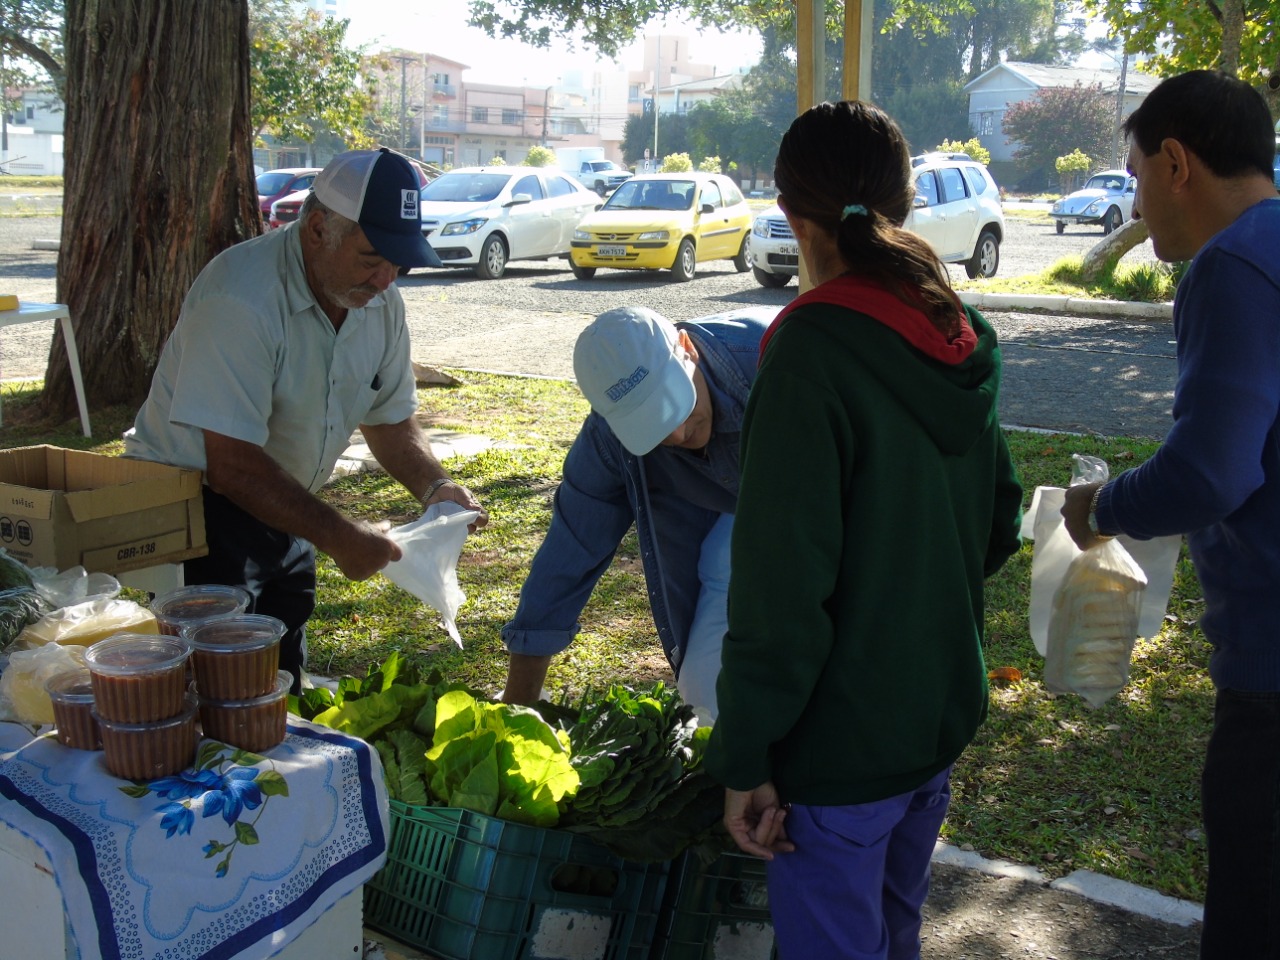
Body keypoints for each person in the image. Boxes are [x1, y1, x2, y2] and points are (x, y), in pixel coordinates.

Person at [703, 100, 1024, 960]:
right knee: (893, 935)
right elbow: (999, 523)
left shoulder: (809, 351)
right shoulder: (960, 330)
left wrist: (746, 757)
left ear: (788, 212)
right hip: (932, 724)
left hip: (836, 754)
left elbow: (780, 591)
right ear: (905, 205)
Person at [125, 148, 486, 691]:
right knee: (211, 687)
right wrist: (343, 537)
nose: (387, 278)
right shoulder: (240, 299)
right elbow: (233, 468)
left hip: (284, 499)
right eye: (372, 257)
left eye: (400, 261)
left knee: (280, 671)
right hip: (196, 512)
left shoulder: (379, 303)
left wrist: (435, 485)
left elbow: (389, 419)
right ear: (318, 229)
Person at [1060, 71, 1280, 959]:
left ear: (1176, 162)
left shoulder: (1232, 264)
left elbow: (1210, 472)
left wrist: (1100, 506)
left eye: (1136, 173)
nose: (1137, 201)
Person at [500, 305, 772, 719]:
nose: (680, 435)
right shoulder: (609, 441)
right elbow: (568, 554)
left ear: (687, 348)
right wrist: (515, 710)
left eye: (674, 405)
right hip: (735, 526)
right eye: (654, 425)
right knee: (706, 701)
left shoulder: (776, 365)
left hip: (841, 509)